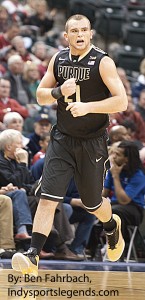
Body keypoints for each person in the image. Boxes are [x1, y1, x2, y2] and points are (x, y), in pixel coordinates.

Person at [12, 14, 128, 276]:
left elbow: (121, 102)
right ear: (66, 36)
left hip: (92, 142)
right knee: (47, 198)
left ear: (90, 33)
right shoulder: (58, 59)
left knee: (92, 203)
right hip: (62, 140)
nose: (79, 34)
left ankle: (111, 226)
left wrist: (87, 107)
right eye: (74, 30)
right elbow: (40, 95)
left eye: (84, 30)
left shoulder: (103, 62)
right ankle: (32, 256)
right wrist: (58, 92)